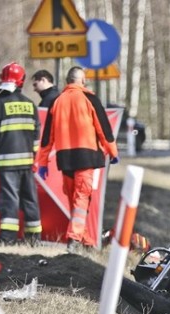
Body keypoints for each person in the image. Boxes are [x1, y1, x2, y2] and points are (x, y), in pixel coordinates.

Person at [38, 66, 119, 252]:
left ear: (68, 81)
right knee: (82, 198)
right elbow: (104, 129)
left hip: (65, 158)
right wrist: (112, 151)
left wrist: (42, 162)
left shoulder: (57, 101)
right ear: (82, 81)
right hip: (87, 156)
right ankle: (74, 238)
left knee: (75, 198)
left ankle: (85, 239)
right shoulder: (89, 98)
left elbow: (47, 137)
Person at [0, 62, 42, 245]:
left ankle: (8, 239)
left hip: (6, 164)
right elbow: (35, 136)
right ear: (22, 81)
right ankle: (33, 239)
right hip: (26, 162)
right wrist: (34, 158)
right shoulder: (30, 105)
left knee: (9, 200)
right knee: (30, 200)